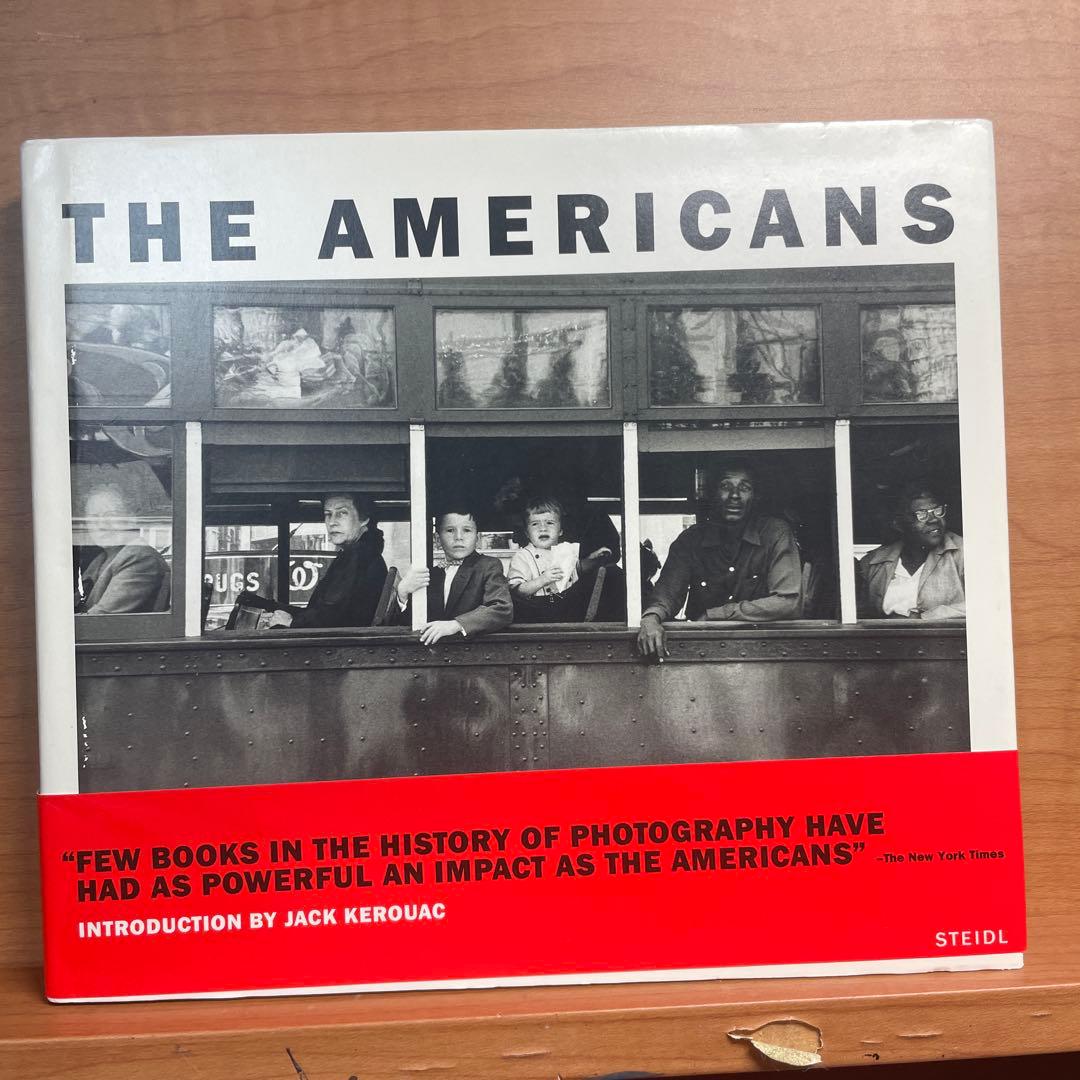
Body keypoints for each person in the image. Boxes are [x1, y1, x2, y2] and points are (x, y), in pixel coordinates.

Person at [637, 462, 802, 658]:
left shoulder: (775, 533)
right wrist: (651, 618)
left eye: (745, 487)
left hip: (762, 651)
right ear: (713, 494)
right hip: (702, 652)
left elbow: (788, 601)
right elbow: (667, 594)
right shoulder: (691, 540)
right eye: (725, 486)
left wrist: (715, 615)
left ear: (756, 496)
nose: (734, 495)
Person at [393, 504, 512, 644]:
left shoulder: (488, 565)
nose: (458, 537)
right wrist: (402, 593)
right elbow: (408, 624)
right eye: (450, 530)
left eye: (467, 530)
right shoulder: (430, 575)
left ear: (477, 538)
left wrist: (456, 625)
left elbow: (501, 608)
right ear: (437, 539)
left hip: (473, 651)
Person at [266, 493, 387, 629]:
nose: (332, 522)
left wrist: (291, 622)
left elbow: (331, 616)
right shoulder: (360, 553)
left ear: (364, 518)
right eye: (328, 514)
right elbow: (325, 611)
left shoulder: (359, 556)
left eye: (341, 513)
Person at [857, 483, 964, 620]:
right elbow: (861, 615)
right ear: (899, 524)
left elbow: (984, 602)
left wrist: (928, 616)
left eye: (937, 511)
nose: (933, 519)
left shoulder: (964, 553)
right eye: (921, 514)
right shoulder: (874, 562)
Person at [506, 496, 613, 623]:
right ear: (527, 533)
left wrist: (594, 558)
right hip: (536, 611)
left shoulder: (565, 550)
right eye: (535, 524)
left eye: (550, 523)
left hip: (566, 606)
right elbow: (517, 591)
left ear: (560, 531)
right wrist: (543, 580)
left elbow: (577, 569)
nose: (543, 528)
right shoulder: (522, 556)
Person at [76, 482, 170, 614]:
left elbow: (99, 618)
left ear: (132, 519)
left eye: (111, 515)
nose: (101, 525)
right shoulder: (101, 559)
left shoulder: (139, 557)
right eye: (93, 518)